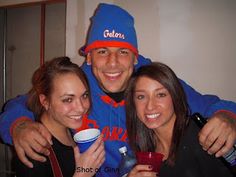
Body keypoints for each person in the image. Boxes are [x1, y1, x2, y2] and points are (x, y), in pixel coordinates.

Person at [0, 3, 236, 177]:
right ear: (89, 57)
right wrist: (18, 126)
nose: (113, 62)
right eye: (102, 51)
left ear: (135, 57)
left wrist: (226, 117)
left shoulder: (152, 81)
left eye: (122, 52)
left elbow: (212, 104)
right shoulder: (80, 83)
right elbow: (24, 102)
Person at [126, 62, 234, 177]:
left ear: (175, 96)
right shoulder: (146, 152)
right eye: (141, 97)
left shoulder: (203, 135)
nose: (150, 106)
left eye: (161, 95)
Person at [13, 56, 105, 177]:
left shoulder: (73, 132)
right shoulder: (35, 149)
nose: (81, 108)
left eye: (84, 95)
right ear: (45, 101)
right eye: (68, 99)